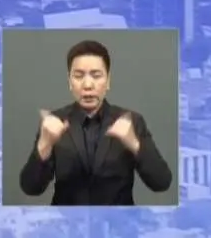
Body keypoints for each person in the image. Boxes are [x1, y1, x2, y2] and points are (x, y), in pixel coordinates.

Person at [18, 39, 173, 206]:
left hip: (117, 221)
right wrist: (45, 144)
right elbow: (30, 188)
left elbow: (161, 182)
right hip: (68, 221)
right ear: (69, 81)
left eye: (96, 75)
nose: (87, 85)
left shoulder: (132, 121)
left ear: (108, 81)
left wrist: (134, 144)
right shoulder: (54, 122)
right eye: (78, 76)